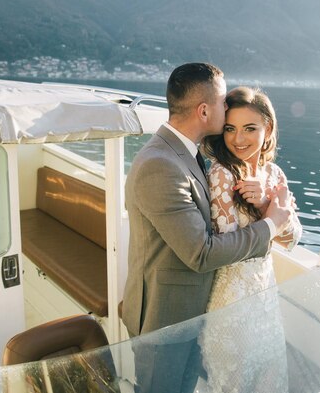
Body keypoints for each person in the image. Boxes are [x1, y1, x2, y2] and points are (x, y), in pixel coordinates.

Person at [121, 63, 293, 393]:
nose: (226, 106)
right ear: (204, 110)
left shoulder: (188, 153)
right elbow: (200, 252)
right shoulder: (161, 164)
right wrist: (271, 225)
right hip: (164, 319)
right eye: (222, 102)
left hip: (197, 312)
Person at [199, 86, 303, 392]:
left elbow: (292, 238)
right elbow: (228, 246)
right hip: (229, 301)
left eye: (249, 128)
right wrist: (271, 217)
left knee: (269, 379)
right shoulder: (222, 174)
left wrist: (264, 203)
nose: (238, 139)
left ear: (267, 128)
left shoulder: (275, 175)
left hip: (265, 296)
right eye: (230, 128)